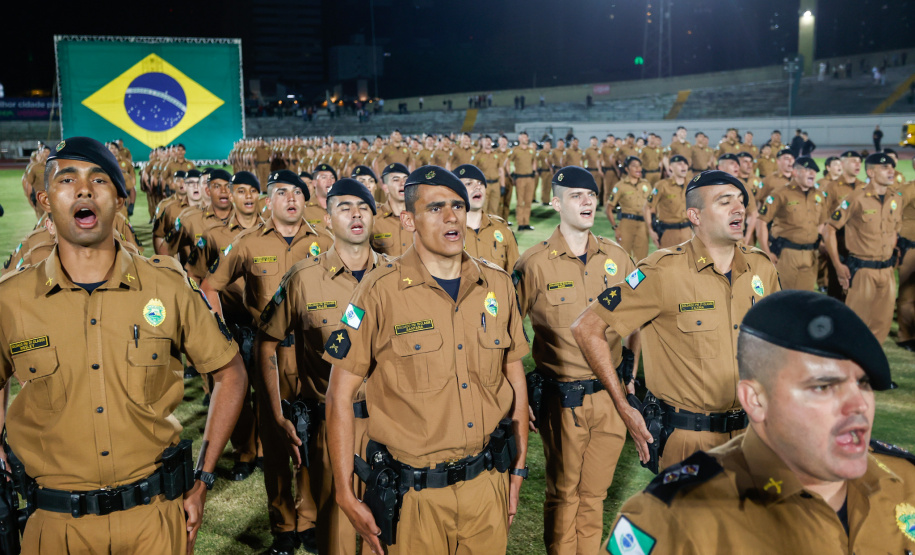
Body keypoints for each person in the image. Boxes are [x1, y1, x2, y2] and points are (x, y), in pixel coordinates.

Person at [0, 136, 247, 554]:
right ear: (45, 200)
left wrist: (204, 478)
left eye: (99, 179)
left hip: (154, 519)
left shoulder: (166, 286)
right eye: (67, 180)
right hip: (56, 527)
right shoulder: (10, 299)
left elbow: (230, 372)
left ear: (119, 199)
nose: (84, 190)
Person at [602, 290, 911, 554]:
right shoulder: (671, 518)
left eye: (864, 383)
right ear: (755, 400)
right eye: (824, 386)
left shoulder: (906, 481)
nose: (859, 405)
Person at [324, 165, 530, 555]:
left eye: (457, 206)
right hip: (414, 499)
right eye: (435, 208)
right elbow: (339, 396)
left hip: (487, 485)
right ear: (408, 220)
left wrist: (518, 466)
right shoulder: (377, 291)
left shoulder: (498, 284)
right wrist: (344, 491)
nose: (451, 217)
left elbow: (514, 374)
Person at [572, 170, 780, 471]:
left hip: (752, 435)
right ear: (695, 216)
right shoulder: (660, 271)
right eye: (725, 202)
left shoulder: (762, 268)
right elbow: (587, 327)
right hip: (689, 441)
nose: (739, 208)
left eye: (740, 201)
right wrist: (624, 407)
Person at [201, 170, 332, 555]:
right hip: (270, 355)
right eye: (282, 193)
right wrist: (222, 334)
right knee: (275, 441)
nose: (291, 199)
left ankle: (309, 520)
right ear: (268, 201)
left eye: (297, 193)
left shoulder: (325, 241)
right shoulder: (247, 242)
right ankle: (283, 526)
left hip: (315, 354)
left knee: (313, 436)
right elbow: (209, 286)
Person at [515, 166, 638, 555]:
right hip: (562, 399)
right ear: (556, 203)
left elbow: (639, 316)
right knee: (564, 494)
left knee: (595, 495)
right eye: (575, 196)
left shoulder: (618, 257)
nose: (587, 202)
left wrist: (632, 374)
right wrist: (517, 394)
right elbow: (505, 333)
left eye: (591, 195)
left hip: (611, 397)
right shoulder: (533, 263)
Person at [258, 179, 382, 555]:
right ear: (326, 220)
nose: (356, 214)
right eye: (344, 207)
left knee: (392, 531)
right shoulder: (303, 278)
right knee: (337, 536)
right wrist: (277, 412)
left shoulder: (397, 277)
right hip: (331, 429)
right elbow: (266, 341)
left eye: (363, 207)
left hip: (393, 425)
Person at [825, 152, 902, 345]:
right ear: (871, 172)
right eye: (885, 168)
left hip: (887, 271)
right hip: (862, 271)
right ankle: (847, 364)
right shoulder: (856, 198)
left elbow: (894, 230)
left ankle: (870, 364)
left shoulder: (896, 198)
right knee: (855, 326)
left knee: (881, 325)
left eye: (892, 167)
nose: (891, 171)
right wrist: (838, 265)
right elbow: (829, 229)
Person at [756, 157, 828, 290]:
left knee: (806, 297)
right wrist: (766, 252)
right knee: (784, 296)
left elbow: (821, 223)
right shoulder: (780, 193)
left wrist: (819, 241)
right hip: (787, 254)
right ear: (795, 172)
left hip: (811, 254)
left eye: (814, 171)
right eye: (807, 170)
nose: (812, 173)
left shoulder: (819, 196)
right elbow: (761, 221)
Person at [454, 164, 520, 271]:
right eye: (469, 183)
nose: (477, 187)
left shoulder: (503, 230)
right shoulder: (445, 233)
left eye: (481, 183)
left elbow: (515, 275)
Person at [606, 156, 651, 261]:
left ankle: (639, 273)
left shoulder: (646, 184)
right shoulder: (620, 186)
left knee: (642, 259)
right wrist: (615, 228)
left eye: (639, 166)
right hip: (626, 224)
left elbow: (651, 206)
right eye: (634, 166)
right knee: (624, 258)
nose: (638, 168)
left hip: (643, 226)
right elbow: (608, 209)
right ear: (627, 169)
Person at [645, 154, 691, 248]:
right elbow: (647, 207)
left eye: (685, 164)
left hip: (688, 231)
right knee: (668, 257)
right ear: (670, 167)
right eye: (679, 164)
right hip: (668, 233)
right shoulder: (662, 185)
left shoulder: (692, 185)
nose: (683, 166)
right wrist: (651, 230)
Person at [370, 162, 413, 256]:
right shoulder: (373, 219)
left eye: (406, 179)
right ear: (385, 188)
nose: (402, 183)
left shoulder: (419, 216)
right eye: (396, 180)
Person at [506, 132, 538, 230]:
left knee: (528, 201)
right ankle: (520, 223)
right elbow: (508, 162)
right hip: (520, 178)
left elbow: (534, 161)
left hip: (530, 178)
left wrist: (534, 171)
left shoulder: (531, 150)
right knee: (520, 202)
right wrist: (511, 174)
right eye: (524, 137)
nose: (526, 138)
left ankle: (526, 223)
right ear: (519, 138)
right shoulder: (515, 150)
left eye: (526, 137)